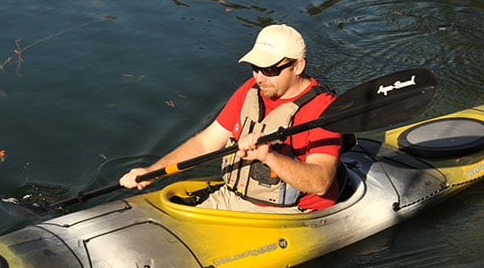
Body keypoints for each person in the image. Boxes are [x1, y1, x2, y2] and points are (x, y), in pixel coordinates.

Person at [119, 24, 342, 212]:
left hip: (294, 213)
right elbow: (206, 142)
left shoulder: (323, 109)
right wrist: (152, 172)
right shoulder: (250, 90)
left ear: (298, 66)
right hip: (234, 197)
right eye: (256, 68)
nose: (260, 77)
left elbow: (321, 182)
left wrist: (269, 156)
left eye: (270, 70)